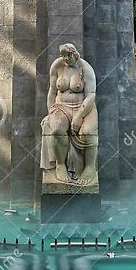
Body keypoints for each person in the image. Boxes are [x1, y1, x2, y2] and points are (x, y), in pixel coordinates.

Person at [40, 44, 98, 185]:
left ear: (75, 54)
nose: (65, 58)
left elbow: (91, 96)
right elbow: (52, 92)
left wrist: (79, 116)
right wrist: (50, 113)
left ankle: (89, 167)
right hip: (61, 107)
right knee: (57, 128)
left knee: (87, 132)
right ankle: (60, 165)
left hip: (84, 107)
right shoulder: (57, 66)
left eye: (68, 55)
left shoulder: (86, 68)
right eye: (63, 56)